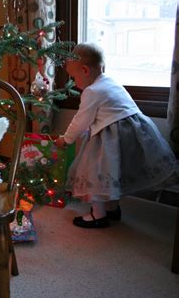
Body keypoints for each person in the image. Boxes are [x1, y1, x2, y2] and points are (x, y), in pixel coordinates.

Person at [56, 42, 176, 228]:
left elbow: (81, 120)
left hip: (110, 138)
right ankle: (112, 208)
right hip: (133, 133)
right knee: (114, 175)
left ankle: (98, 215)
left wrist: (66, 139)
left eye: (73, 77)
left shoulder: (92, 91)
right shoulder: (110, 82)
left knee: (95, 174)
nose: (74, 82)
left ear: (85, 70)